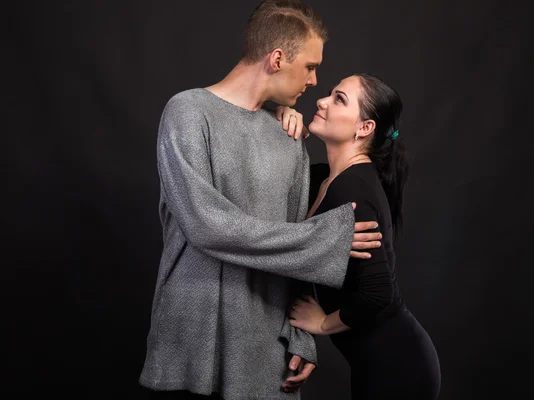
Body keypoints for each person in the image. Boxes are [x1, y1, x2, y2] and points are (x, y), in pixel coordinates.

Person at [139, 1, 383, 399]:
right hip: (191, 336)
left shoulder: (289, 136)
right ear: (277, 58)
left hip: (266, 345)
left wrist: (302, 338)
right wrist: (326, 241)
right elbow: (207, 225)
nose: (314, 80)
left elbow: (294, 243)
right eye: (310, 66)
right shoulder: (187, 112)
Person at [278, 73, 441, 399]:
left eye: (339, 99)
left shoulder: (353, 189)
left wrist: (323, 324)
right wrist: (281, 116)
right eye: (329, 94)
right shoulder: (327, 178)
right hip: (379, 364)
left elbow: (379, 293)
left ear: (364, 128)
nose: (322, 101)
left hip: (398, 367)